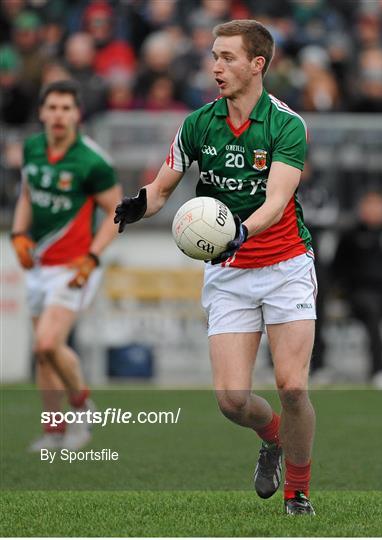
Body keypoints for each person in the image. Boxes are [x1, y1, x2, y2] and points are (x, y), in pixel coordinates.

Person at [115, 20, 317, 516]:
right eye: (213, 56)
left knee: (292, 386)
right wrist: (138, 205)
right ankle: (271, 439)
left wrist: (239, 233)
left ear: (257, 64)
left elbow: (275, 203)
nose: (215, 67)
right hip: (229, 273)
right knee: (231, 401)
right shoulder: (197, 124)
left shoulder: (287, 125)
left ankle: (297, 492)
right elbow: (162, 189)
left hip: (286, 263)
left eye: (227, 57)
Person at [11, 80, 122, 451]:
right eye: (52, 108)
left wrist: (93, 256)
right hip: (38, 265)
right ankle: (54, 431)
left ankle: (82, 405)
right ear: (42, 112)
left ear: (77, 114)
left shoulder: (92, 161)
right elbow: (28, 193)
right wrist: (18, 233)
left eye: (66, 108)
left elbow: (116, 214)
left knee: (47, 342)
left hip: (74, 266)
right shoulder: (32, 148)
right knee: (43, 354)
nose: (58, 115)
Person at [332, 191, 382, 388]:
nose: (374, 210)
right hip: (362, 291)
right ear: (362, 209)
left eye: (379, 206)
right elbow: (339, 268)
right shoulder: (351, 235)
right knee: (373, 311)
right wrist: (342, 295)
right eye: (370, 205)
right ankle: (380, 370)